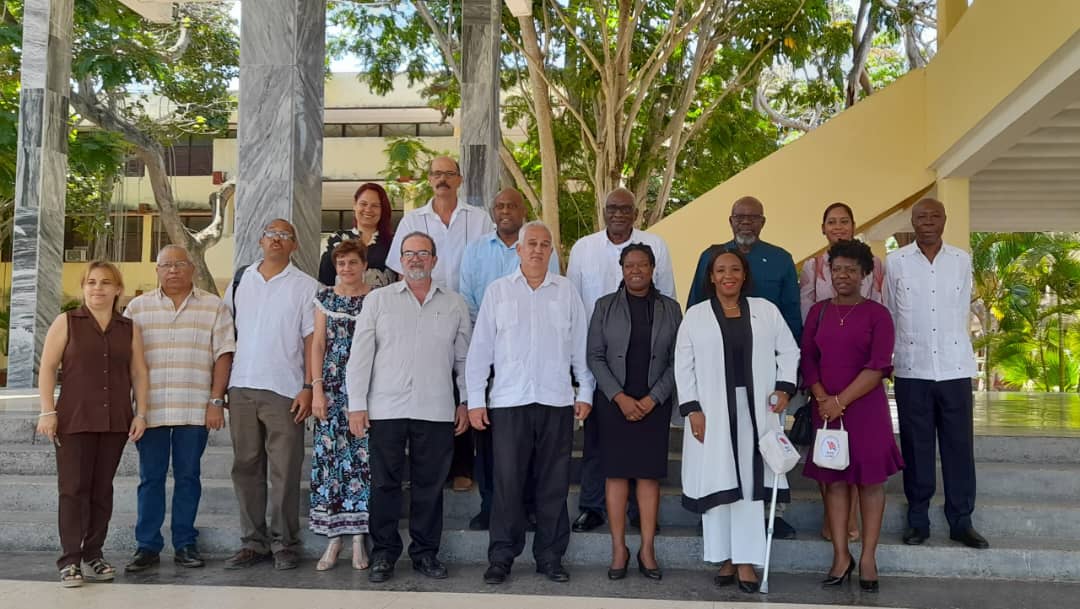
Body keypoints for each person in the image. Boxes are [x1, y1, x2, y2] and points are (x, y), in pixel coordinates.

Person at [466, 221, 595, 585]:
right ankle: (502, 557)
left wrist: (584, 392)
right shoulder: (498, 292)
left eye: (544, 244)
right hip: (509, 402)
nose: (538, 249)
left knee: (553, 483)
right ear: (519, 250)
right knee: (507, 483)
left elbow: (579, 349)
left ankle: (551, 557)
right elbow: (480, 353)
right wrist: (476, 400)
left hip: (555, 401)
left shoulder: (566, 292)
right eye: (531, 244)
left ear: (551, 252)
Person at [345, 231, 472, 583]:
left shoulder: (454, 303)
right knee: (384, 484)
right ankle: (384, 553)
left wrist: (466, 401)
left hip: (435, 409)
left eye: (423, 253)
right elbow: (360, 357)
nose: (415, 259)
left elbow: (464, 359)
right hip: (385, 408)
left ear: (434, 259)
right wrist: (356, 406)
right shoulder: (378, 301)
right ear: (400, 260)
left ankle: (425, 553)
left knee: (429, 486)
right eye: (408, 253)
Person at [675, 248, 799, 593]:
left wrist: (785, 388)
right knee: (720, 483)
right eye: (720, 270)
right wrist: (692, 408)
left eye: (734, 269)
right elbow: (682, 365)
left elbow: (789, 351)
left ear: (744, 275)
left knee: (748, 486)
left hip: (757, 412)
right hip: (712, 415)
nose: (727, 275)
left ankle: (746, 561)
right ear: (711, 277)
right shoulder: (696, 316)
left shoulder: (766, 311)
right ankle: (725, 556)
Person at [685, 195, 802, 539]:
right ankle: (714, 507)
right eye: (740, 217)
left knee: (767, 448)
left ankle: (771, 512)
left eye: (753, 217)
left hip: (765, 381)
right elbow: (695, 304)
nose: (746, 222)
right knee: (718, 450)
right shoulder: (711, 255)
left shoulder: (780, 259)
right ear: (730, 220)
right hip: (715, 376)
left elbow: (792, 319)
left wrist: (786, 380)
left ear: (763, 222)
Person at [567, 187, 675, 534]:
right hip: (597, 360)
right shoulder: (584, 248)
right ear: (603, 210)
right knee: (598, 441)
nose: (617, 213)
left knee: (641, 449)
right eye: (611, 207)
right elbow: (573, 303)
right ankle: (593, 506)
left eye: (624, 208)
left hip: (648, 363)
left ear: (635, 212)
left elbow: (668, 297)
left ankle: (636, 512)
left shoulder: (655, 245)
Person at [123, 245, 235, 573]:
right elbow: (125, 360)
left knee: (188, 477)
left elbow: (224, 354)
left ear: (192, 269)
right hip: (150, 410)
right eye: (166, 265)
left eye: (179, 264)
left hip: (194, 408)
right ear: (157, 270)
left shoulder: (214, 306)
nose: (173, 270)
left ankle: (185, 543)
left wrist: (216, 401)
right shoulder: (137, 309)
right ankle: (147, 546)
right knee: (150, 478)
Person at [37, 261, 150, 587]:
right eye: (91, 282)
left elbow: (139, 373)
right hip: (73, 419)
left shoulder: (128, 328)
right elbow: (47, 368)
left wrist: (140, 412)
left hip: (115, 421)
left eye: (105, 283)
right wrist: (47, 411)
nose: (97, 288)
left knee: (102, 491)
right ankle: (70, 560)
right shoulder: (67, 322)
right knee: (73, 490)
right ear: (83, 287)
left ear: (117, 290)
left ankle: (93, 554)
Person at [883, 198, 987, 550]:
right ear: (912, 222)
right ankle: (918, 521)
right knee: (917, 447)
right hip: (913, 369)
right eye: (920, 217)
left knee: (960, 447)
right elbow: (891, 313)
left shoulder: (961, 260)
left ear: (945, 220)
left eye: (934, 216)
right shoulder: (895, 262)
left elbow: (960, 309)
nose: (927, 221)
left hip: (955, 368)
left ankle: (961, 521)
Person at [801, 240, 903, 593]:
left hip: (865, 411)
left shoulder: (878, 315)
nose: (843, 275)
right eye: (837, 269)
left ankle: (869, 557)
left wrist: (839, 400)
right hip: (825, 409)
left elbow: (878, 366)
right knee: (835, 483)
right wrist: (821, 397)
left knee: (871, 484)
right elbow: (808, 359)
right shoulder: (819, 312)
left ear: (865, 274)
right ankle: (841, 555)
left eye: (851, 270)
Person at [387, 156, 493, 492]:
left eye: (449, 174)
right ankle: (428, 467)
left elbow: (487, 263)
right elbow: (400, 268)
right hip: (423, 311)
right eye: (436, 174)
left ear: (460, 180)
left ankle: (463, 466)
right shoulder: (413, 219)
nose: (442, 179)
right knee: (430, 386)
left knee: (463, 386)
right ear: (429, 180)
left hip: (468, 314)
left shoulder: (479, 220)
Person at [458, 188, 559, 531]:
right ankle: (491, 504)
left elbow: (551, 290)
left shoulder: (540, 243)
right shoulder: (475, 251)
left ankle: (528, 506)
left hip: (531, 362)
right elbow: (469, 303)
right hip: (488, 354)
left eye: (511, 206)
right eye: (499, 205)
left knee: (528, 441)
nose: (505, 211)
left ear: (522, 210)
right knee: (489, 439)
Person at [223, 219, 319, 571]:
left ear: (294, 246)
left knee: (285, 470)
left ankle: (285, 543)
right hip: (242, 385)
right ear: (260, 239)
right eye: (271, 234)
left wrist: (309, 387)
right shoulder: (240, 280)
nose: (277, 240)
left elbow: (313, 342)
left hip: (285, 389)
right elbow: (225, 334)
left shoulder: (307, 287)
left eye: (285, 236)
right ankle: (253, 542)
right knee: (245, 467)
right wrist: (220, 391)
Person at [586, 243, 682, 581]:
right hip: (614, 405)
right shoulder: (604, 306)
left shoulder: (671, 309)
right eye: (630, 265)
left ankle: (647, 549)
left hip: (654, 405)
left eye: (643, 264)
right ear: (621, 268)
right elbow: (594, 356)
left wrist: (655, 398)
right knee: (615, 476)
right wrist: (619, 397)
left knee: (647, 477)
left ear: (653, 268)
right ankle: (618, 549)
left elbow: (677, 360)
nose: (636, 270)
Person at [799, 202, 885, 543]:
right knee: (827, 452)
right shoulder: (812, 266)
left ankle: (850, 522)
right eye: (831, 222)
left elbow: (881, 306)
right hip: (825, 371)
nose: (838, 227)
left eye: (844, 221)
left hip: (861, 374)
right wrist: (819, 391)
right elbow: (808, 319)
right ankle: (832, 519)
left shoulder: (876, 266)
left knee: (857, 457)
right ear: (823, 228)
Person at [309, 240, 374, 571]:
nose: (346, 269)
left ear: (364, 264)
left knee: (361, 463)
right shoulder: (325, 298)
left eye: (352, 262)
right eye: (341, 264)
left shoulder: (376, 298)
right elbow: (318, 344)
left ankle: (360, 541)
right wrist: (316, 389)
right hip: (331, 391)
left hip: (365, 391)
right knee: (331, 462)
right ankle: (334, 540)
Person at [318, 182, 397, 289]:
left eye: (375, 205)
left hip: (384, 303)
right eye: (363, 204)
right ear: (354, 205)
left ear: (383, 210)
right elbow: (324, 282)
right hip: (342, 303)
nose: (368, 209)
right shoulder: (337, 239)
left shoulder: (394, 242)